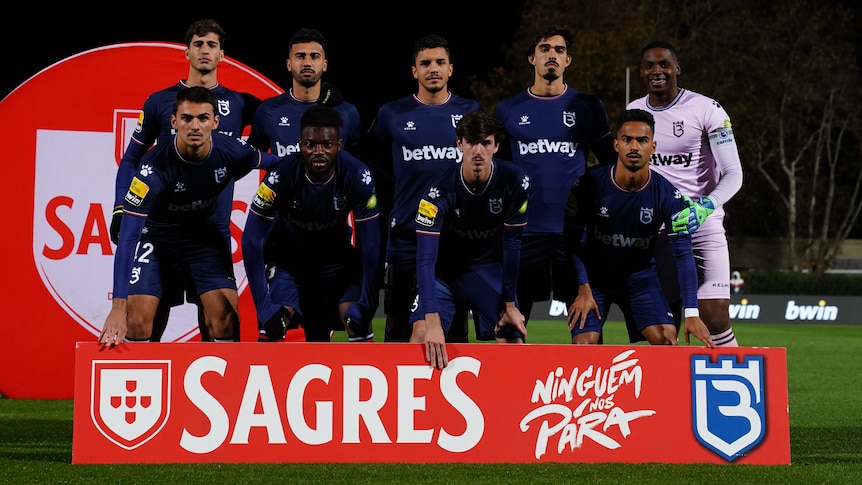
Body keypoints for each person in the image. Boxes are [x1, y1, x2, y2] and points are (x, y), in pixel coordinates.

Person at [109, 18, 260, 342]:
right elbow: (131, 158)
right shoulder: (161, 101)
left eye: (212, 45)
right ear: (187, 52)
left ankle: (223, 392)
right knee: (142, 320)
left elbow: (284, 119)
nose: (205, 50)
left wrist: (324, 105)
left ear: (222, 55)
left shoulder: (239, 104)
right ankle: (145, 391)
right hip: (160, 230)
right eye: (198, 44)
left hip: (212, 232)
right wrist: (121, 205)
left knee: (223, 324)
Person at [99, 86, 281, 345]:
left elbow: (281, 166)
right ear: (174, 122)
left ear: (215, 122)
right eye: (187, 118)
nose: (195, 126)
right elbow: (128, 240)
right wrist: (118, 308)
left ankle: (224, 385)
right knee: (136, 320)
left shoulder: (233, 150)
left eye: (203, 118)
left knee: (226, 319)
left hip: (205, 240)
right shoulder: (152, 169)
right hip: (159, 239)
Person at [493, 25, 616, 330]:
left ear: (568, 61)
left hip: (574, 235)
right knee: (511, 332)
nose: (552, 55)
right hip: (523, 233)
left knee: (587, 332)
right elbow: (501, 174)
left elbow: (611, 165)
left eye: (559, 50)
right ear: (531, 59)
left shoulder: (587, 107)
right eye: (545, 49)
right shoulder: (507, 110)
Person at [246, 27, 365, 342]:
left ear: (325, 64)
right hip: (284, 242)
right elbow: (254, 155)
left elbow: (356, 168)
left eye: (314, 56)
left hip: (333, 241)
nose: (307, 62)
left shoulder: (347, 114)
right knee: (274, 327)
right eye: (300, 56)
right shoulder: (268, 112)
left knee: (321, 332)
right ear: (289, 63)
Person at [363, 33, 481, 343]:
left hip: (453, 240)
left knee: (454, 327)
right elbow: (368, 159)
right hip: (405, 237)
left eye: (440, 62)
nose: (433, 69)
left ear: (451, 69)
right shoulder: (392, 114)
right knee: (397, 326)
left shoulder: (470, 112)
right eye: (425, 63)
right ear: (414, 71)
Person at [564, 108, 715, 348]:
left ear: (653, 147)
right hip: (594, 280)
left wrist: (692, 314)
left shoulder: (668, 195)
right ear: (616, 145)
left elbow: (684, 254)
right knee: (584, 348)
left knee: (667, 342)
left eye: (642, 140)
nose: (634, 146)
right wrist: (582, 287)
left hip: (640, 279)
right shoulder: (587, 185)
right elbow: (571, 242)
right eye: (627, 140)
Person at [626, 41, 744, 347]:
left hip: (702, 224)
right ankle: (668, 393)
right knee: (663, 326)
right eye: (649, 66)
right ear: (641, 72)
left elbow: (734, 173)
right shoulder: (634, 112)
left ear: (677, 69)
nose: (657, 71)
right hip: (656, 229)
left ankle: (735, 386)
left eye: (664, 64)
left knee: (714, 315)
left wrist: (706, 206)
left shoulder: (706, 108)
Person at [242, 105, 381, 342]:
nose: (318, 151)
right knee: (271, 328)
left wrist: (368, 302)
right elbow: (251, 240)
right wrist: (264, 307)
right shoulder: (280, 176)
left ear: (339, 145)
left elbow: (371, 245)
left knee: (359, 323)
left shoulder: (358, 175)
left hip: (338, 264)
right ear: (300, 144)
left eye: (326, 145)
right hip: (291, 264)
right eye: (310, 144)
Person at [409, 110, 529, 370]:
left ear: (496, 146)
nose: (478, 151)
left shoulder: (515, 182)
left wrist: (509, 303)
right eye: (471, 142)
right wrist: (432, 322)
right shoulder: (435, 193)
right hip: (444, 274)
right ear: (459, 144)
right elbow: (425, 259)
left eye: (485, 143)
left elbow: (512, 245)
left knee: (514, 342)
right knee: (421, 338)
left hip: (487, 271)